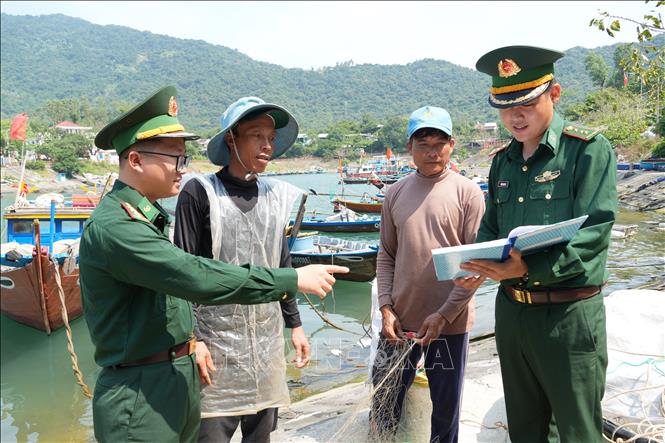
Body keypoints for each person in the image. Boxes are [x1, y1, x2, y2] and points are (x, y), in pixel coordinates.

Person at [79, 86, 348, 443]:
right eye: (175, 158)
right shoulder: (123, 226)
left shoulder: (148, 217)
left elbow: (178, 288)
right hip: (149, 386)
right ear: (136, 161)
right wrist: (291, 280)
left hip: (188, 369)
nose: (182, 169)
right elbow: (193, 275)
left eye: (184, 158)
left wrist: (292, 320)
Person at [456, 46, 617, 442]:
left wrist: (528, 268)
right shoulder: (503, 162)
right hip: (512, 316)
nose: (515, 115)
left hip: (568, 316)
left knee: (577, 431)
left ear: (555, 94)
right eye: (505, 106)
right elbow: (492, 227)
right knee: (525, 430)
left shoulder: (588, 151)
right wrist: (475, 264)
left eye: (526, 102)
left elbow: (594, 234)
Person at [174, 96, 308, 443]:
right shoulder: (199, 192)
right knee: (211, 435)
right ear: (231, 139)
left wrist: (295, 325)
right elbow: (182, 273)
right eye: (256, 135)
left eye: (271, 137)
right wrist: (193, 340)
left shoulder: (274, 195)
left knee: (260, 436)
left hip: (265, 343)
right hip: (214, 345)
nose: (267, 145)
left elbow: (281, 264)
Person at [371, 106, 486, 442]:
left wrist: (445, 313)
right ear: (410, 148)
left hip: (449, 325)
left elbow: (477, 265)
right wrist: (385, 307)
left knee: (445, 408)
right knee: (384, 397)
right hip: (399, 323)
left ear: (452, 145)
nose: (432, 151)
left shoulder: (468, 193)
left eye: (440, 143)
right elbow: (387, 253)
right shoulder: (394, 193)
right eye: (423, 144)